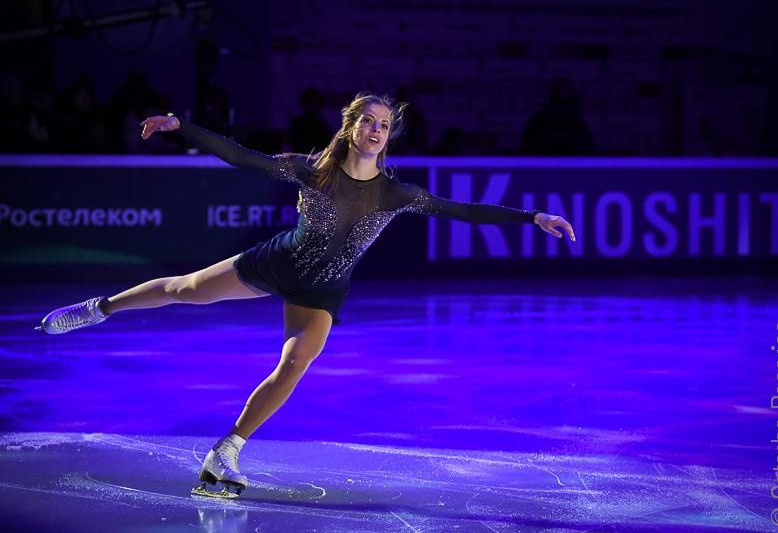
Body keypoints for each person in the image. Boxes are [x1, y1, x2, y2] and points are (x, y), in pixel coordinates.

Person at [36, 91, 576, 497]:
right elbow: (242, 157)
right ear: (351, 126)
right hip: (276, 263)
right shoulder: (312, 171)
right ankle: (98, 308)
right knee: (185, 289)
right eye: (368, 121)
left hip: (322, 291)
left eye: (384, 125)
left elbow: (463, 210)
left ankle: (227, 450)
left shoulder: (396, 193)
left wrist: (531, 216)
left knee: (295, 363)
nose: (376, 130)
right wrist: (184, 127)